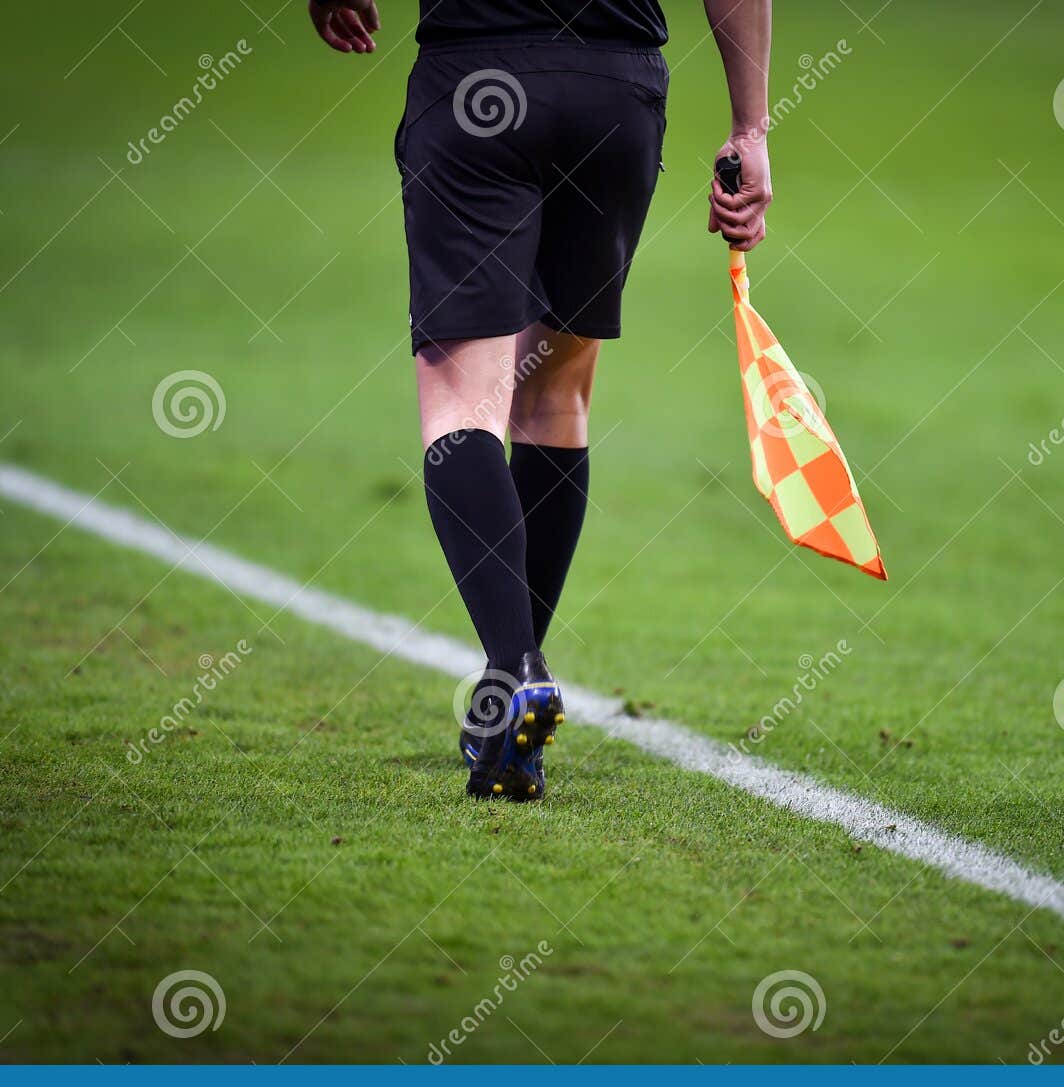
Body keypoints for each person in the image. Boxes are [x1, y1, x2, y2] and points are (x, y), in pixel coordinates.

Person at [310, 0, 773, 800]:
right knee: (554, 393)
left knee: (462, 398)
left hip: (479, 83)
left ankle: (518, 669)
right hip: (615, 95)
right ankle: (504, 701)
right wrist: (751, 128)